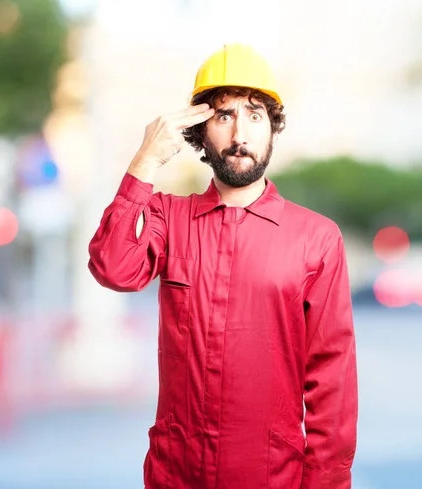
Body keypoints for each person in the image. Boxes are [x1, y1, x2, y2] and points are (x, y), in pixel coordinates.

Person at [88, 43, 358, 489]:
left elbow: (333, 377)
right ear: (199, 131)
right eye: (223, 115)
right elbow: (113, 268)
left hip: (272, 478)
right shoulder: (166, 217)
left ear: (273, 129)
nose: (239, 135)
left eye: (254, 116)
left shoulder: (317, 238)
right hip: (176, 475)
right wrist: (144, 162)